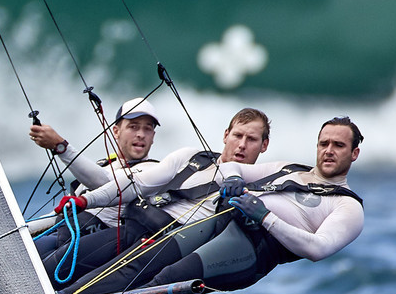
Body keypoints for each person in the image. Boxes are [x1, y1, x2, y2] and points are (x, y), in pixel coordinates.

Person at [71, 118, 365, 294]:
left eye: (338, 145)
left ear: (354, 153)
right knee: (143, 260)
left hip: (250, 249)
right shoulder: (290, 168)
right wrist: (234, 177)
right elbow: (233, 166)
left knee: (167, 280)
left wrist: (265, 217)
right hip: (222, 221)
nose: (329, 150)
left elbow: (317, 249)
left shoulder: (347, 205)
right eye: (324, 143)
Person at [46, 107, 272, 283]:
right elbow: (133, 185)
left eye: (251, 139)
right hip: (124, 231)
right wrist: (85, 200)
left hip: (158, 249)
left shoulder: (254, 190)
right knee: (47, 267)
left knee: (69, 286)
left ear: (264, 145)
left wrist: (62, 148)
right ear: (226, 135)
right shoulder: (190, 157)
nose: (242, 145)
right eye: (237, 136)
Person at [29, 98, 162, 254]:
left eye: (147, 129)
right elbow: (61, 213)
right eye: (133, 127)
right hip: (62, 234)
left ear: (153, 136)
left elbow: (111, 186)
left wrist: (60, 147)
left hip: (89, 249)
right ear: (116, 131)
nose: (141, 134)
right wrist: (23, 229)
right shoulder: (104, 165)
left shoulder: (154, 171)